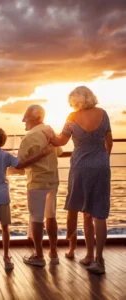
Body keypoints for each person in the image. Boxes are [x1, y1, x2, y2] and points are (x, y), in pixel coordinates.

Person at [44, 86, 112, 274]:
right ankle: (98, 260)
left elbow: (60, 142)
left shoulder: (72, 117)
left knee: (86, 212)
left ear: (76, 100)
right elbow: (109, 142)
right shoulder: (103, 113)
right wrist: (103, 159)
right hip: (101, 165)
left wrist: (50, 135)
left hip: (80, 166)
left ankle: (89, 255)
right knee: (99, 213)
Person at [0, 127, 54, 270]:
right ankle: (7, 258)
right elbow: (21, 164)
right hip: (3, 196)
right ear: (4, 142)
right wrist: (41, 154)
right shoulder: (6, 156)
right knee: (6, 228)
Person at [18, 105, 62, 267]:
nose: (23, 119)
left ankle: (38, 255)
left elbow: (20, 165)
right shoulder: (50, 132)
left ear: (37, 118)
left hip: (36, 182)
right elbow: (59, 152)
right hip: (53, 181)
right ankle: (54, 252)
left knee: (36, 219)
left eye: (26, 116)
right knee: (51, 216)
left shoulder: (28, 138)